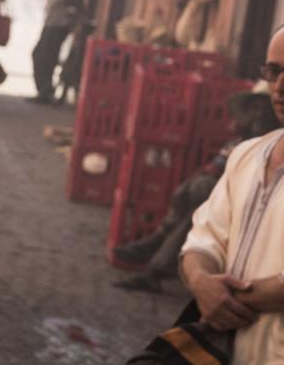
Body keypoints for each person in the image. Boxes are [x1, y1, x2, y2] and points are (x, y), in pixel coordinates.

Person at [176, 25, 284, 362]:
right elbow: (204, 239)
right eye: (274, 71)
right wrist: (200, 279)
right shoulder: (247, 155)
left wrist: (224, 300)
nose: (280, 86)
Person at [114, 89, 279, 292]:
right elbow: (220, 164)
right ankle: (158, 241)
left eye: (257, 110)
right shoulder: (241, 142)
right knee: (193, 192)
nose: (252, 115)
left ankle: (156, 264)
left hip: (246, 206)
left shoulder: (264, 144)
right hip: (220, 194)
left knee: (199, 210)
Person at [31, 0, 84, 104]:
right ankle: (44, 89)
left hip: (60, 21)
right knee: (41, 54)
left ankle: (45, 90)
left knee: (46, 55)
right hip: (52, 19)